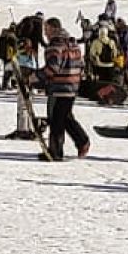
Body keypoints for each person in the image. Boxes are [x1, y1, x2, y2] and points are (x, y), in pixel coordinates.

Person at [39, 18, 91, 161]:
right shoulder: (73, 44)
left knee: (56, 119)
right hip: (73, 86)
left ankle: (56, 151)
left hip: (59, 86)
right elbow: (81, 64)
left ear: (54, 29)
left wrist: (35, 76)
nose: (45, 34)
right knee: (65, 116)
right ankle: (82, 141)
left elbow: (53, 68)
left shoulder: (55, 46)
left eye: (47, 30)